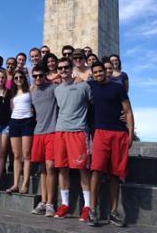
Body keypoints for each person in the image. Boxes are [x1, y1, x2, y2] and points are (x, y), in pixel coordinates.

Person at [88, 62, 134, 227]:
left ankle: (113, 212)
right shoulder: (90, 85)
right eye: (96, 72)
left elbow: (128, 111)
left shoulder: (118, 87)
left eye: (101, 71)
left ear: (106, 72)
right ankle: (92, 210)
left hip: (119, 133)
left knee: (115, 174)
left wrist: (130, 134)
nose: (99, 74)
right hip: (100, 132)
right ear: (92, 74)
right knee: (96, 171)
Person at [53, 57, 92, 221]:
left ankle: (88, 206)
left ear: (71, 68)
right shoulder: (57, 89)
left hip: (78, 132)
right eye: (60, 68)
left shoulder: (84, 86)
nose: (63, 70)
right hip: (60, 131)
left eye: (65, 67)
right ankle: (65, 204)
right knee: (62, 169)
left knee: (82, 169)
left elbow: (96, 105)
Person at [30, 65, 58, 217]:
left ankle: (50, 204)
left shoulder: (54, 88)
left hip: (52, 132)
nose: (38, 78)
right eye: (35, 76)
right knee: (42, 169)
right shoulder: (32, 92)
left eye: (40, 75)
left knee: (50, 166)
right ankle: (43, 201)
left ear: (45, 75)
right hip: (38, 132)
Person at [6, 70, 34, 194]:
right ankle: (15, 184)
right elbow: (12, 109)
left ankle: (25, 184)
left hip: (27, 121)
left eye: (20, 77)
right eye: (16, 78)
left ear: (24, 78)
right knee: (16, 155)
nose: (18, 79)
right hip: (14, 122)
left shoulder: (30, 90)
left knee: (27, 154)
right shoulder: (12, 94)